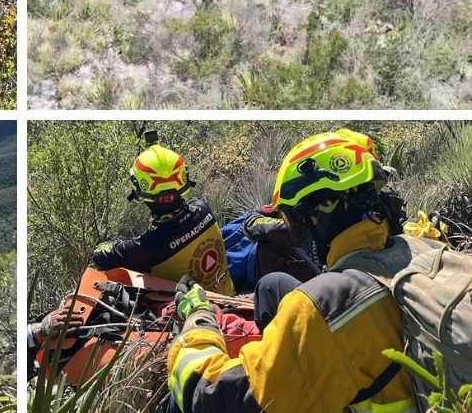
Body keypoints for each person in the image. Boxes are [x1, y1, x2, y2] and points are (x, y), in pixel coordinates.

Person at [165, 131, 429, 413]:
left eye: (292, 221)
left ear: (323, 208)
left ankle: (287, 370)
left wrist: (199, 319)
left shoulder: (320, 309)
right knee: (273, 284)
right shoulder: (423, 246)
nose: (296, 234)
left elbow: (211, 398)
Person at [91, 143, 234, 296]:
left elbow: (99, 255)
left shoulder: (147, 246)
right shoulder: (204, 208)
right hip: (230, 299)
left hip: (194, 314)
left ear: (139, 189)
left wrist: (116, 242)